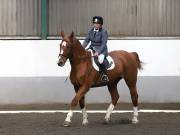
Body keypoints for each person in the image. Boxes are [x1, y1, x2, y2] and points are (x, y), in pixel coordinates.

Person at [82, 16, 109, 82]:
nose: (96, 25)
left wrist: (98, 52)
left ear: (100, 25)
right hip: (92, 48)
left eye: (97, 24)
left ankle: (104, 75)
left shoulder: (104, 32)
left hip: (101, 50)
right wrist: (81, 49)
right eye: (94, 23)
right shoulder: (90, 31)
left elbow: (103, 44)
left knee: (100, 60)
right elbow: (86, 41)